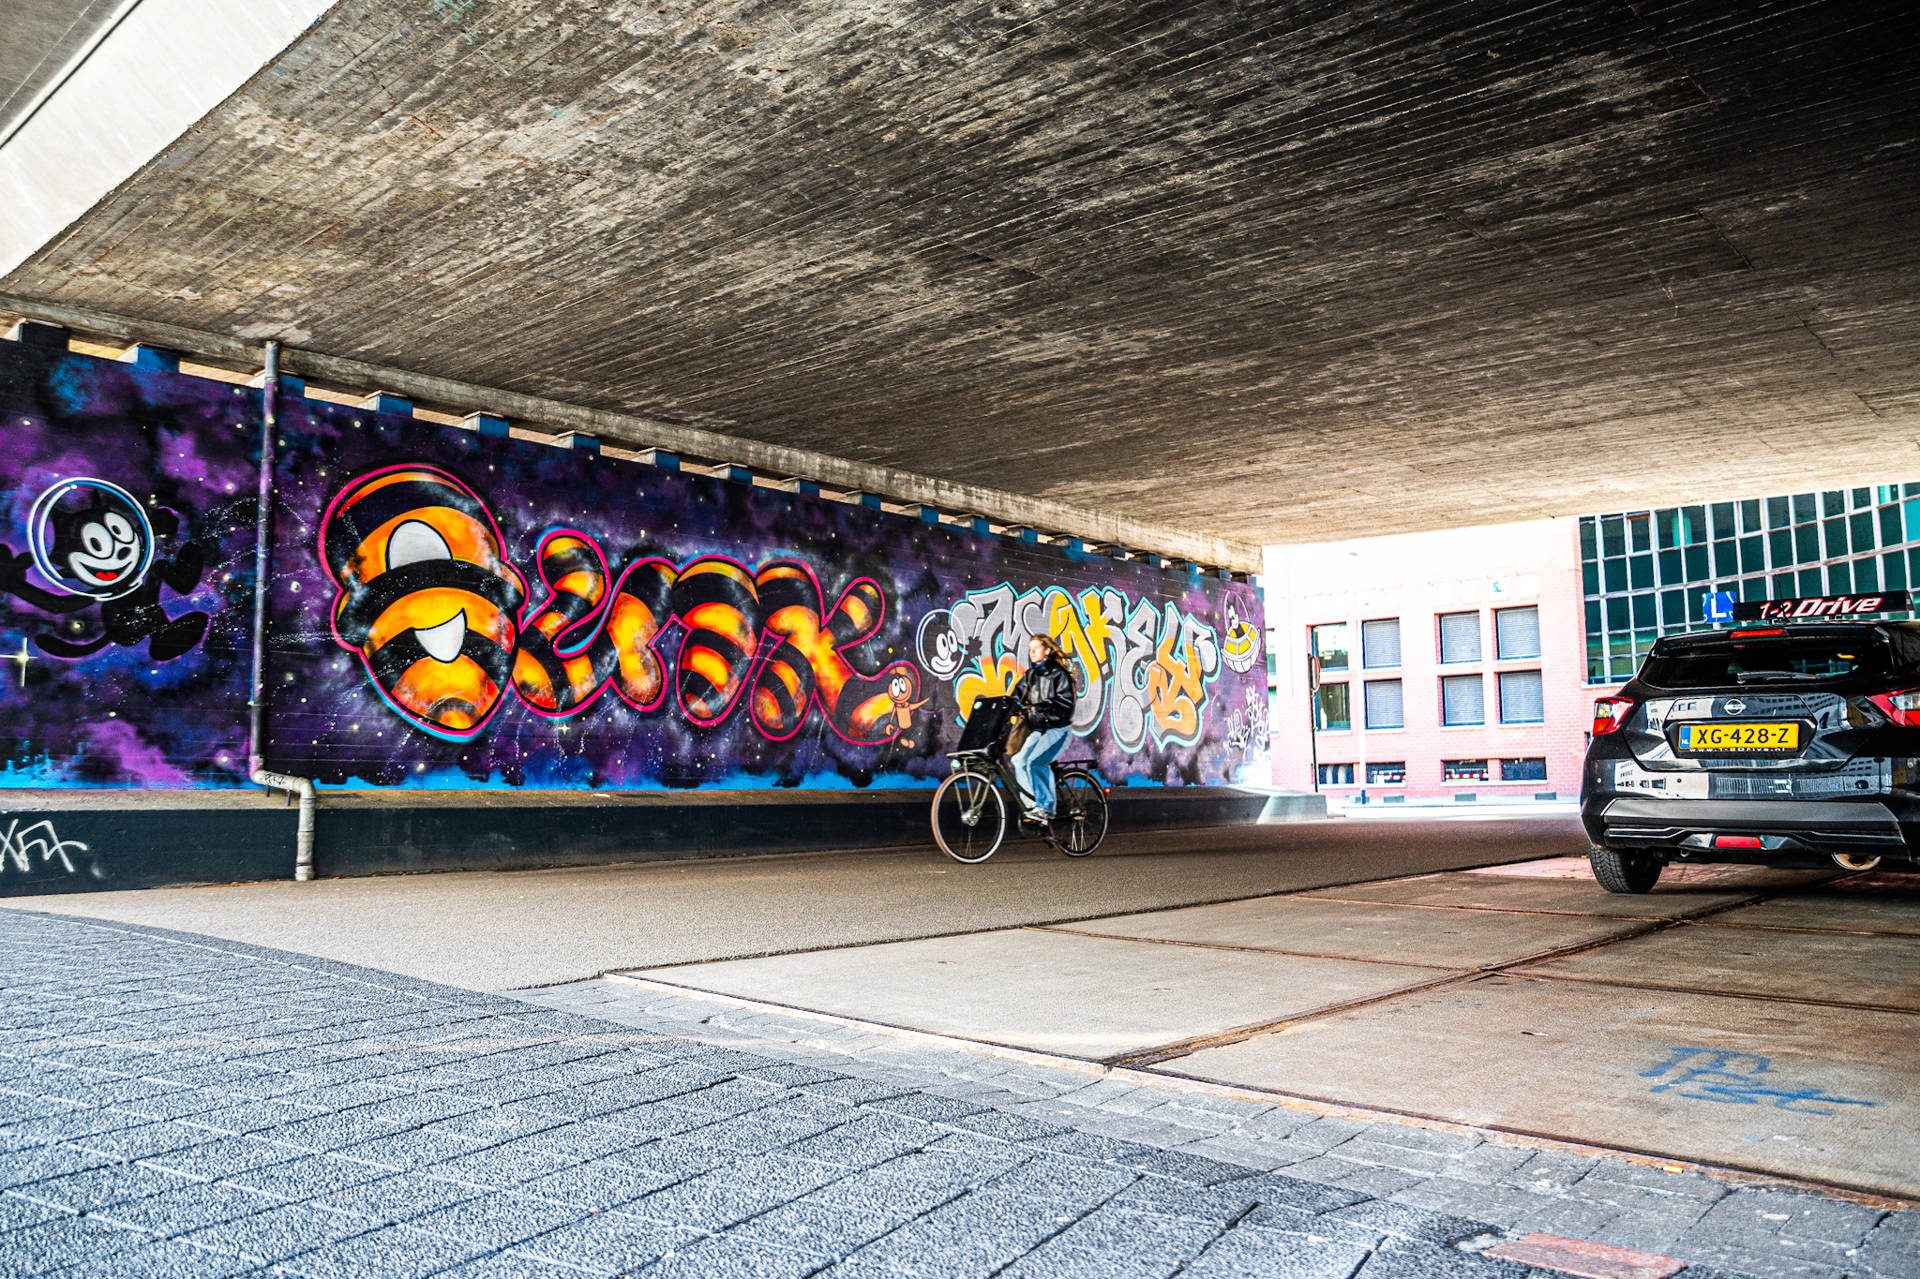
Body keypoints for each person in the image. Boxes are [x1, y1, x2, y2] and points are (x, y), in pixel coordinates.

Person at [1008, 634, 1077, 823]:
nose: (1032, 652)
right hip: (1038, 730)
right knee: (1018, 761)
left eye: (1036, 648)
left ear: (1047, 650)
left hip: (1057, 729)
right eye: (1030, 648)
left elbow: (1065, 704)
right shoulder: (1031, 675)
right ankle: (1033, 806)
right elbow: (1016, 697)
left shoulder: (1059, 674)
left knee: (1035, 762)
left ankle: (1046, 808)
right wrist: (1004, 708)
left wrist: (1039, 708)